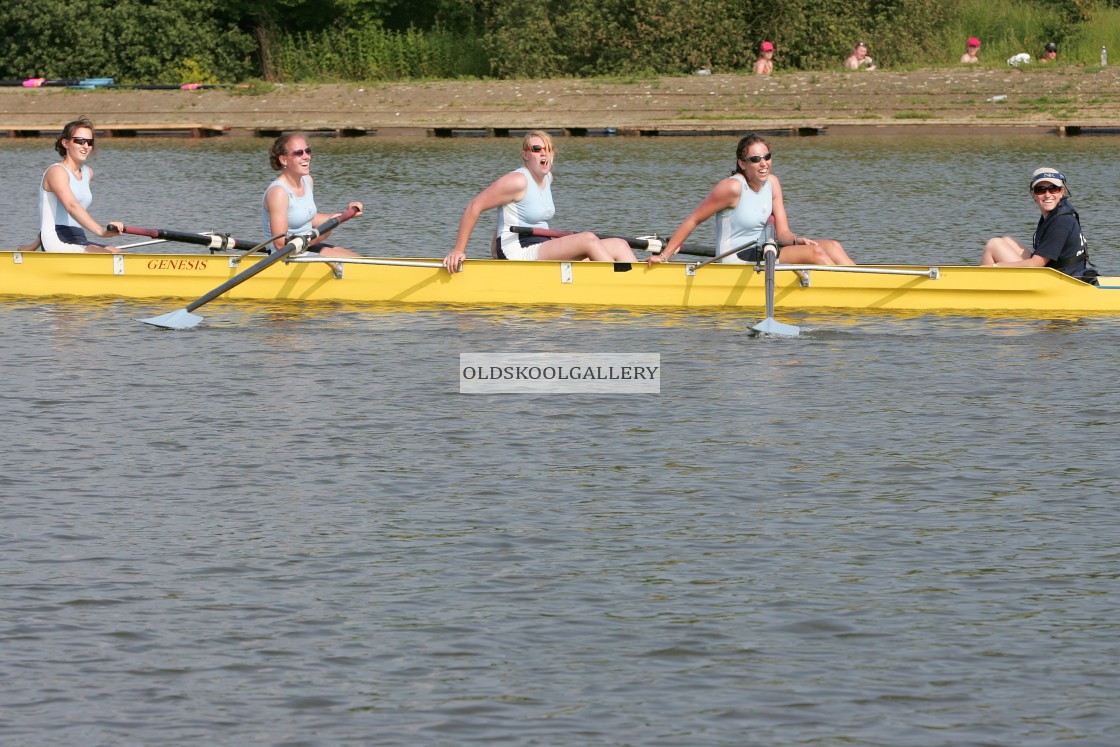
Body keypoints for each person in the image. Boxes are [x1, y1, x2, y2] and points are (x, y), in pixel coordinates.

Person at [442, 131, 638, 273]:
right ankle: (618, 284)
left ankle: (637, 284)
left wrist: (494, 247)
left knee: (620, 245)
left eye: (549, 149)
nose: (544, 153)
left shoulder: (548, 178)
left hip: (540, 245)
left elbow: (508, 212)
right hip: (518, 250)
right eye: (537, 149)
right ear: (525, 154)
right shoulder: (517, 180)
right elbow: (474, 207)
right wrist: (459, 250)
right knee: (587, 239)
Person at [648, 133, 855, 267]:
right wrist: (665, 256)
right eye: (755, 159)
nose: (763, 163)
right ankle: (848, 292)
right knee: (815, 254)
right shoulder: (732, 187)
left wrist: (795, 241)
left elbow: (782, 232)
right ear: (742, 163)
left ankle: (864, 282)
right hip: (735, 258)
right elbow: (693, 220)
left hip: (764, 250)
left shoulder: (773, 183)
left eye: (767, 157)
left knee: (833, 246)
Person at [19, 117, 123, 253]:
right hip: (56, 238)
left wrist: (32, 246)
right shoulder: (56, 172)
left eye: (89, 142)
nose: (85, 146)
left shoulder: (88, 173)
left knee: (120, 254)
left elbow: (56, 213)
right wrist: (100, 231)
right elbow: (71, 206)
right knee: (111, 257)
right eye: (79, 141)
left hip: (78, 236)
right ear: (65, 143)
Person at [980, 167, 1096, 282]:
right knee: (1007, 240)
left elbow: (1036, 264)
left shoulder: (1062, 222)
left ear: (1062, 192)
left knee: (994, 245)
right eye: (1041, 189)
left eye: (1053, 189)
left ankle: (982, 289)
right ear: (1033, 194)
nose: (1047, 195)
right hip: (1059, 273)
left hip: (1065, 282)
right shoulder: (1055, 214)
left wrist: (996, 266)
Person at [263, 132, 362, 257]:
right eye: (299, 153)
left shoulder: (307, 180)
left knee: (360, 260)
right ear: (283, 160)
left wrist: (346, 214)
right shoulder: (278, 192)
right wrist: (321, 236)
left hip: (307, 245)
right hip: (285, 255)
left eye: (308, 151)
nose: (306, 156)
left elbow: (310, 218)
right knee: (351, 265)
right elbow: (280, 244)